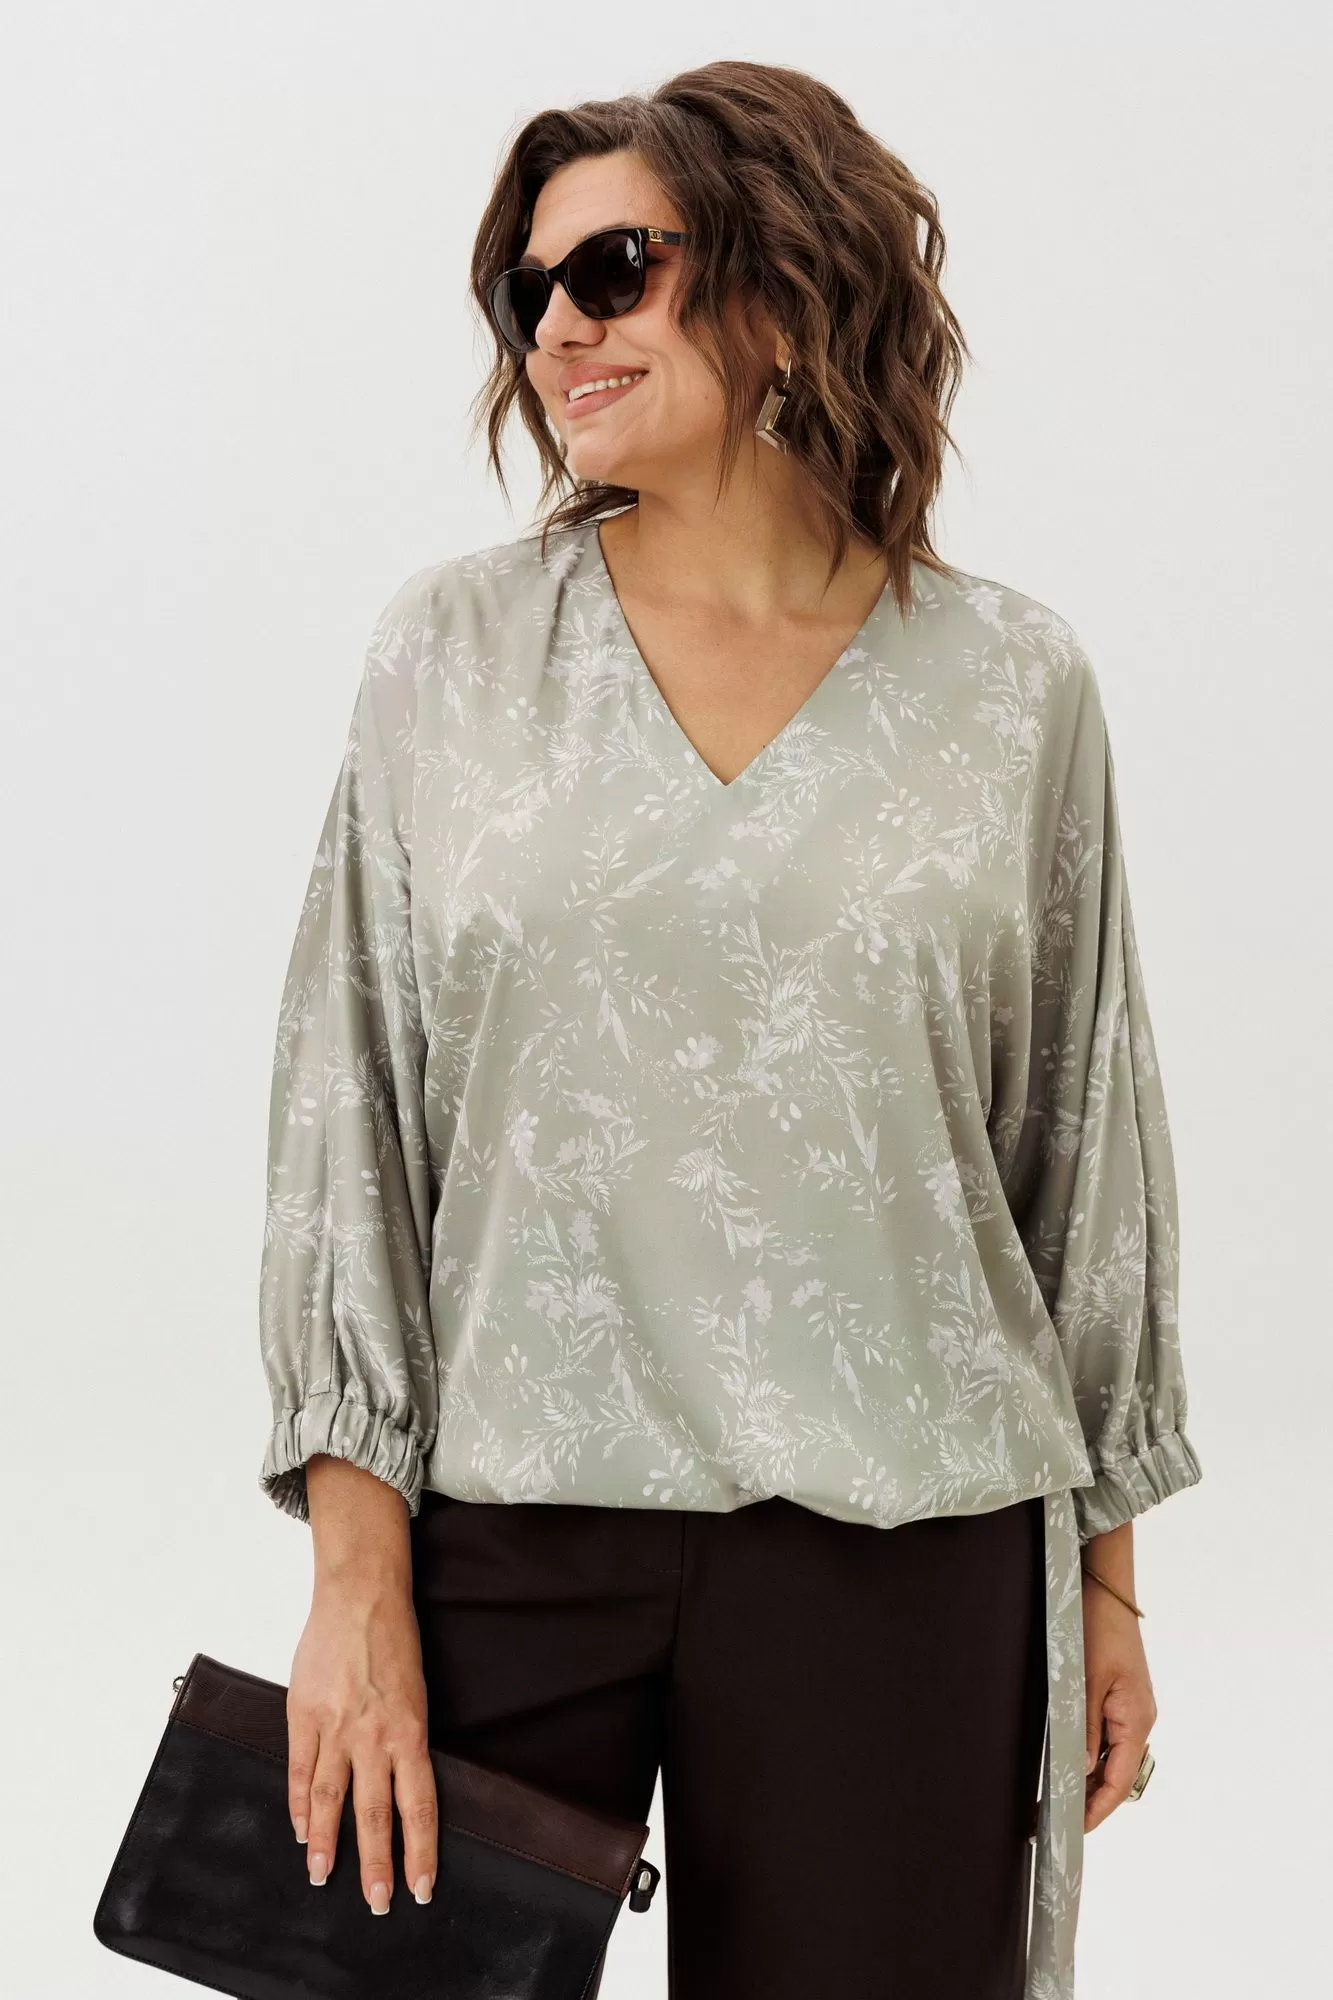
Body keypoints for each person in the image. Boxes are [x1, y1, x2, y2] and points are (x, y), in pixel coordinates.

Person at [255, 59, 1202, 2000]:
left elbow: (1084, 1144)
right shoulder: (452, 654)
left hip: (909, 1529)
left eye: (614, 268)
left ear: (785, 282)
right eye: (527, 291)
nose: (559, 328)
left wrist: (1107, 1580)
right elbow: (350, 1109)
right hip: (512, 1515)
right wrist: (353, 1577)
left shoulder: (1008, 685)